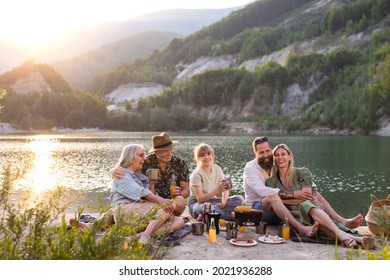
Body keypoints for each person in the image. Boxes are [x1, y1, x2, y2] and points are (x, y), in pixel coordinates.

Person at [243, 136, 363, 237]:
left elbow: (297, 175)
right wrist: (294, 195)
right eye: (261, 152)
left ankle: (341, 221)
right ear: (255, 153)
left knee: (311, 195)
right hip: (258, 209)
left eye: (268, 151)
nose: (265, 155)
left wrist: (313, 196)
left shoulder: (275, 161)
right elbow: (262, 191)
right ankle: (301, 227)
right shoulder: (250, 168)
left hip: (280, 206)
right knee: (275, 197)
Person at [265, 143, 374, 248]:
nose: (280, 157)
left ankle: (346, 237)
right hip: (296, 217)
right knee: (320, 225)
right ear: (274, 159)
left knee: (307, 205)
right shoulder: (271, 182)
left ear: (290, 156)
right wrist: (294, 198)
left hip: (312, 210)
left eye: (283, 154)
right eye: (277, 155)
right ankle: (355, 239)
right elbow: (272, 204)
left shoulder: (302, 172)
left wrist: (282, 200)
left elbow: (307, 196)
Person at [71, 144, 184, 243]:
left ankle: (136, 237)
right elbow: (140, 192)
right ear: (130, 158)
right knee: (165, 206)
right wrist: (162, 201)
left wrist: (152, 184)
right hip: (126, 213)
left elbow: (147, 194)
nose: (144, 158)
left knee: (179, 221)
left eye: (144, 155)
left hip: (139, 213)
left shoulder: (140, 174)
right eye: (141, 155)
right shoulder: (121, 173)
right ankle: (145, 236)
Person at [112, 132, 189, 216]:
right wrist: (114, 170)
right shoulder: (145, 162)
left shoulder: (180, 163)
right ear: (156, 152)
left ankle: (165, 215)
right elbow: (129, 169)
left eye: (170, 149)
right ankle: (163, 218)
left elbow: (187, 190)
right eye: (165, 151)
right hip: (150, 201)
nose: (170, 153)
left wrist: (178, 194)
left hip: (171, 201)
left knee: (181, 200)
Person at [188, 143, 244, 221]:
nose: (206, 157)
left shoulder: (217, 169)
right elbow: (200, 199)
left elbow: (225, 189)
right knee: (207, 207)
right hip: (196, 204)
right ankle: (230, 216)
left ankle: (207, 215)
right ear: (198, 158)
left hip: (212, 201)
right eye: (202, 155)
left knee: (239, 199)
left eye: (208, 154)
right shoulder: (197, 174)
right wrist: (217, 189)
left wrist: (223, 203)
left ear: (212, 155)